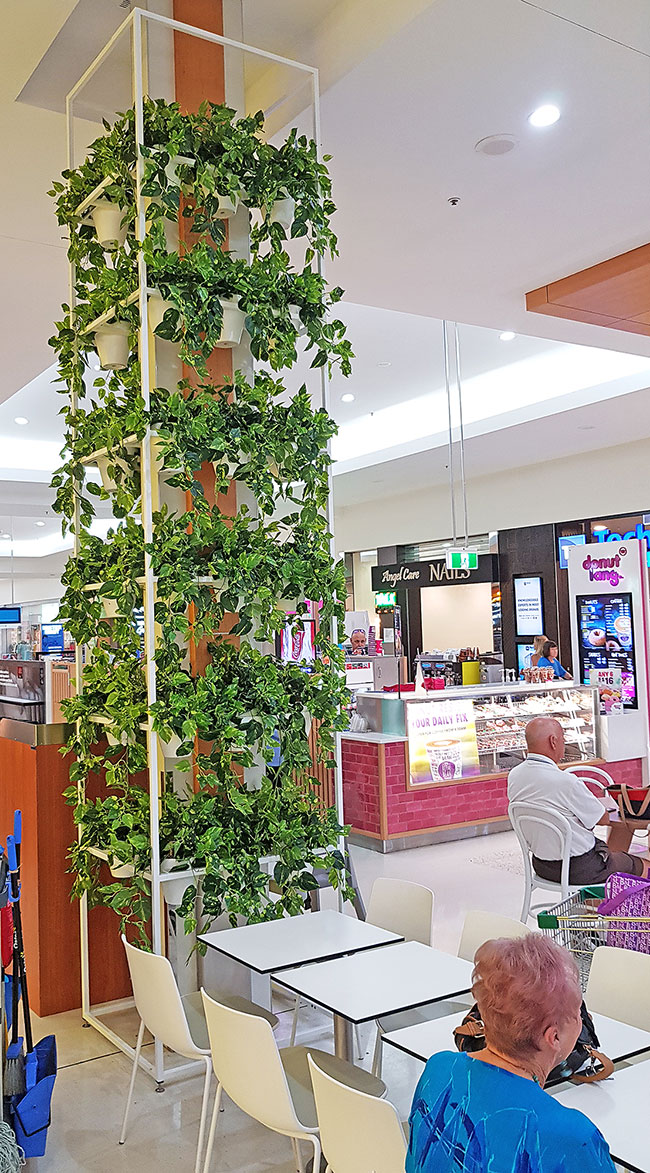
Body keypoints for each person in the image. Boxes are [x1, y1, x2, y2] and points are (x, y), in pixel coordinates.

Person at [406, 934, 616, 1173]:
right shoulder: (573, 1137)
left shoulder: (439, 1069)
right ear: (554, 1037)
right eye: (579, 1012)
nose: (584, 1019)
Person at [508, 716, 648, 882]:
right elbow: (602, 819)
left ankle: (600, 904)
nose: (564, 743)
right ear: (553, 741)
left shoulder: (514, 776)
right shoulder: (566, 781)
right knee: (642, 865)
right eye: (563, 738)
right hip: (580, 867)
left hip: (542, 866)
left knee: (610, 855)